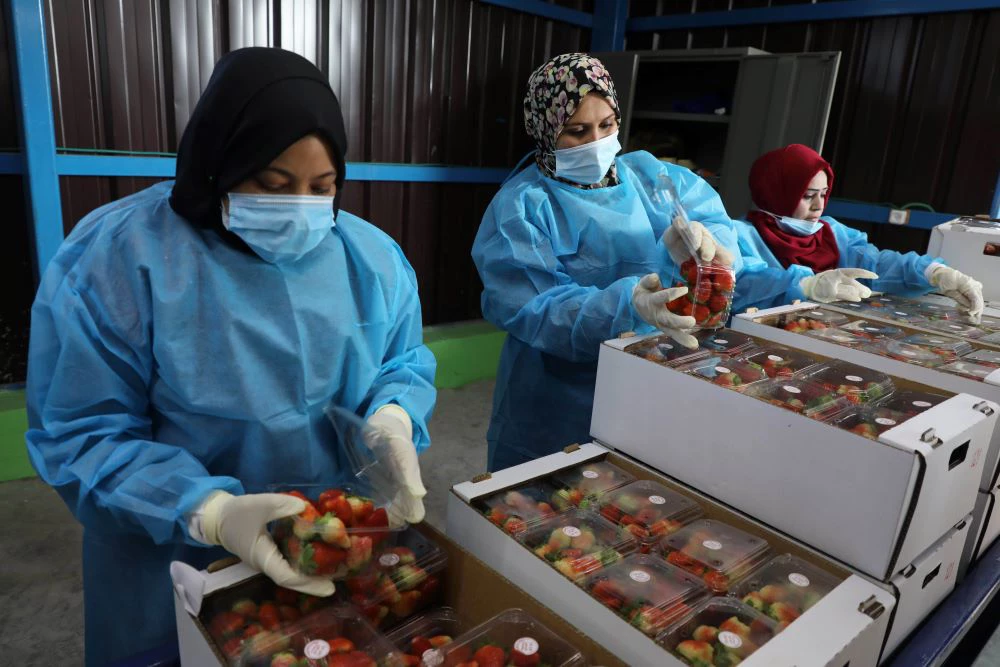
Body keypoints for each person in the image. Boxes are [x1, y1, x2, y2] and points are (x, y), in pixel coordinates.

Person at [25, 48, 436, 665]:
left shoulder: (369, 258)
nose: (300, 206)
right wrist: (209, 512)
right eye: (271, 186)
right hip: (170, 558)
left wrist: (394, 416)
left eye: (321, 188)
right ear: (218, 164)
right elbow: (82, 432)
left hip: (326, 543)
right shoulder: (119, 259)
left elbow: (399, 362)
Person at [472, 53, 741, 472]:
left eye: (607, 125)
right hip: (556, 396)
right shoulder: (523, 207)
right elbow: (538, 309)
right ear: (545, 131)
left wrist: (708, 246)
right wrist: (626, 303)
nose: (596, 143)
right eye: (577, 131)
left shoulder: (649, 178)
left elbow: (712, 221)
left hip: (653, 374)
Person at [733, 144, 984, 318]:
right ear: (775, 194)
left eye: (823, 194)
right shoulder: (741, 236)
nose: (819, 205)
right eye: (807, 196)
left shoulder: (832, 233)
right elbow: (741, 287)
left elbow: (874, 264)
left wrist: (934, 273)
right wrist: (806, 286)